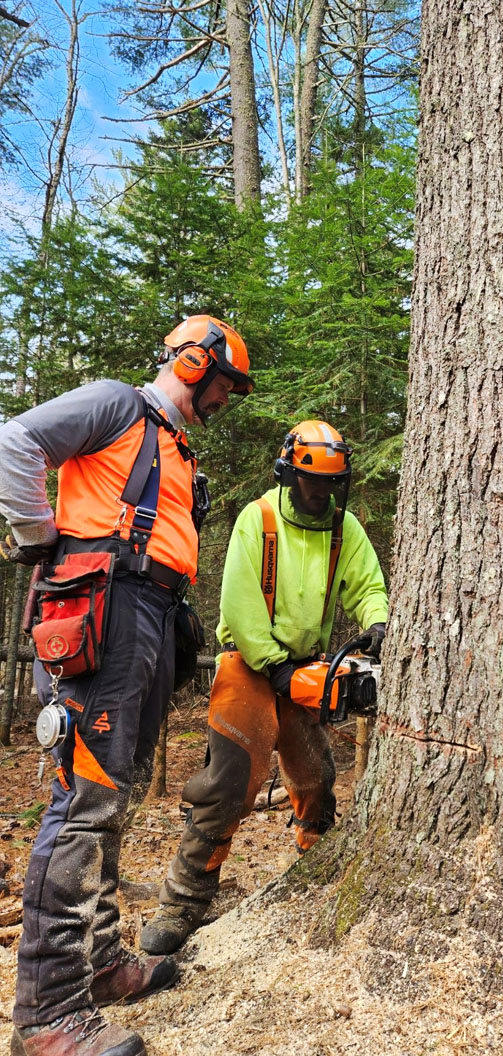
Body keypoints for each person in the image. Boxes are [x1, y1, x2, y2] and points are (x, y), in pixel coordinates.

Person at [0, 316, 254, 1056]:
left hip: (148, 613)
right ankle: (46, 1013)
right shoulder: (117, 403)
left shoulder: (173, 445)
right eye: (224, 385)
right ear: (195, 363)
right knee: (84, 799)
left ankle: (102, 961)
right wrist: (37, 536)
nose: (226, 400)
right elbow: (14, 440)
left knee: (118, 792)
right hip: (102, 607)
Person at [139, 420, 388, 956]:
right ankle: (182, 900)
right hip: (248, 665)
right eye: (309, 481)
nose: (318, 491)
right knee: (228, 783)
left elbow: (367, 585)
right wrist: (272, 665)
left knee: (317, 775)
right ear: (290, 473)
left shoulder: (344, 530)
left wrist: (377, 622)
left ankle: (316, 867)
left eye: (328, 483)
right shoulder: (260, 519)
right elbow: (239, 603)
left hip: (304, 666)